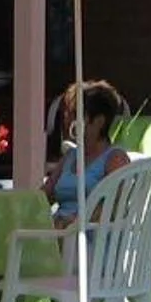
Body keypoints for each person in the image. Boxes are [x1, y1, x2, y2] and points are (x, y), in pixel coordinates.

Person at [43, 79, 131, 223]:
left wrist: (75, 223)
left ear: (99, 121)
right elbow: (43, 198)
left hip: (92, 233)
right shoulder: (70, 156)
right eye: (69, 115)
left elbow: (115, 205)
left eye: (77, 115)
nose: (69, 121)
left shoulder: (115, 158)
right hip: (60, 230)